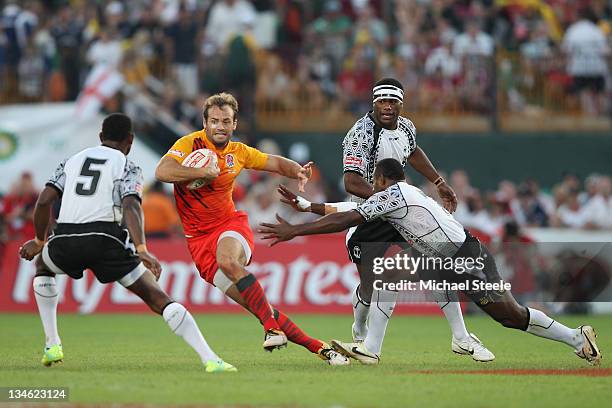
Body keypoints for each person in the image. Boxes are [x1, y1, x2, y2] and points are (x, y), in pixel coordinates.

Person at [260, 159, 602, 366]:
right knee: (388, 274)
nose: (371, 190)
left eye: (373, 184)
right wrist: (306, 208)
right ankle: (372, 348)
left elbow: (348, 218)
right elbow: (348, 210)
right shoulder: (401, 195)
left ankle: (575, 337)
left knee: (510, 316)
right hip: (448, 254)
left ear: (380, 181)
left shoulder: (395, 195)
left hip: (465, 257)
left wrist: (295, 232)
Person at [18, 113, 236, 373]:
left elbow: (43, 201)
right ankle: (210, 359)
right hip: (105, 239)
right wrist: (142, 249)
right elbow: (131, 205)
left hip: (66, 238)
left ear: (101, 137)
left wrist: (40, 240)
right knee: (158, 298)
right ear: (130, 141)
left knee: (43, 266)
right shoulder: (127, 165)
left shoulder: (72, 161)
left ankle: (52, 344)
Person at [154, 92, 348, 365]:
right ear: (205, 123)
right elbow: (162, 171)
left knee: (229, 261)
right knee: (259, 308)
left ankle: (271, 329)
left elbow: (276, 163)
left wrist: (297, 172)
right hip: (198, 243)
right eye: (214, 121)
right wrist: (200, 172)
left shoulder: (239, 152)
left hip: (229, 226)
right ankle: (320, 348)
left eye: (226, 121)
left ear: (234, 125)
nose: (220, 126)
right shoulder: (189, 144)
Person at [339, 77, 493, 362]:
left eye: (392, 102)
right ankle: (359, 329)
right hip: (369, 217)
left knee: (434, 266)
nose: (387, 107)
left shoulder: (406, 127)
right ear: (374, 103)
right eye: (382, 102)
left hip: (402, 213)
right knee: (372, 288)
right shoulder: (360, 134)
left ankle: (461, 336)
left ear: (400, 104)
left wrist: (438, 180)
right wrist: (384, 197)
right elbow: (350, 181)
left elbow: (413, 151)